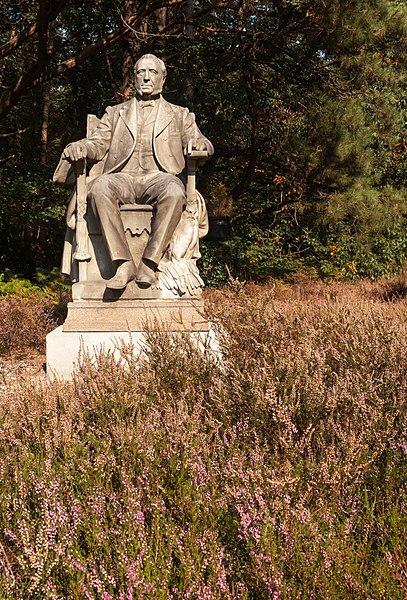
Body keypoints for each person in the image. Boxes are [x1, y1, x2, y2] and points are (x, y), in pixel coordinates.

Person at [55, 53, 213, 289]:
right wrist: (79, 146)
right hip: (122, 178)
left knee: (175, 191)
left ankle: (149, 263)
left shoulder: (180, 114)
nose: (146, 78)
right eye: (141, 72)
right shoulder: (114, 112)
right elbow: (97, 144)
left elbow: (202, 143)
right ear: (135, 78)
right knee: (99, 187)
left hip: (160, 178)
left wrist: (200, 144)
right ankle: (124, 264)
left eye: (153, 72)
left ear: (163, 78)